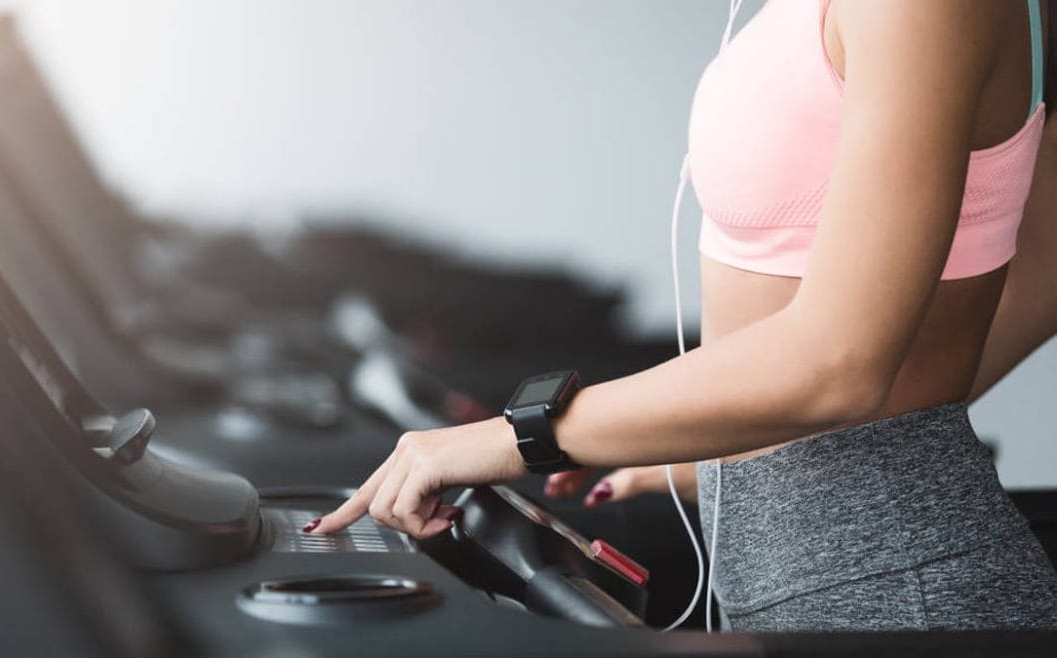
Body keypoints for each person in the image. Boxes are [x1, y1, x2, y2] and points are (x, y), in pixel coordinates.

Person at [310, 0, 1057, 631]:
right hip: (817, 574)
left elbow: (841, 365)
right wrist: (719, 448)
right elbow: (1024, 293)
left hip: (898, 594)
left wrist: (518, 436)